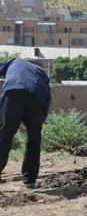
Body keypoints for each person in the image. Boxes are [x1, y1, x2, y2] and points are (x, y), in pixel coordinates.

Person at [0, 57, 51, 188]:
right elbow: (47, 95)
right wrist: (41, 117)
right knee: (34, 139)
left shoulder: (13, 62)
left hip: (13, 95)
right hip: (36, 99)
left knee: (4, 137)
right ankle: (29, 180)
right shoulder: (40, 72)